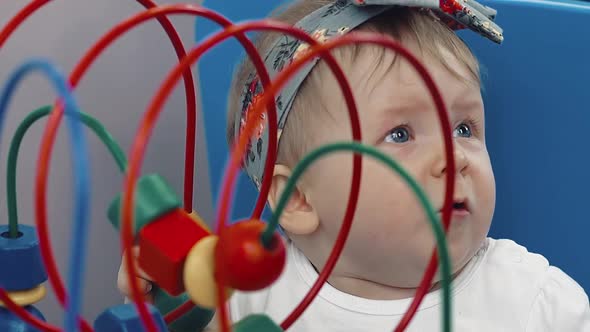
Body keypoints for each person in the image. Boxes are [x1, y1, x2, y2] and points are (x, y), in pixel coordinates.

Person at [119, 1, 590, 330]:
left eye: (464, 128)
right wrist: (167, 296)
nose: (454, 159)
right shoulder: (247, 297)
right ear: (298, 197)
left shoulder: (535, 304)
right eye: (400, 134)